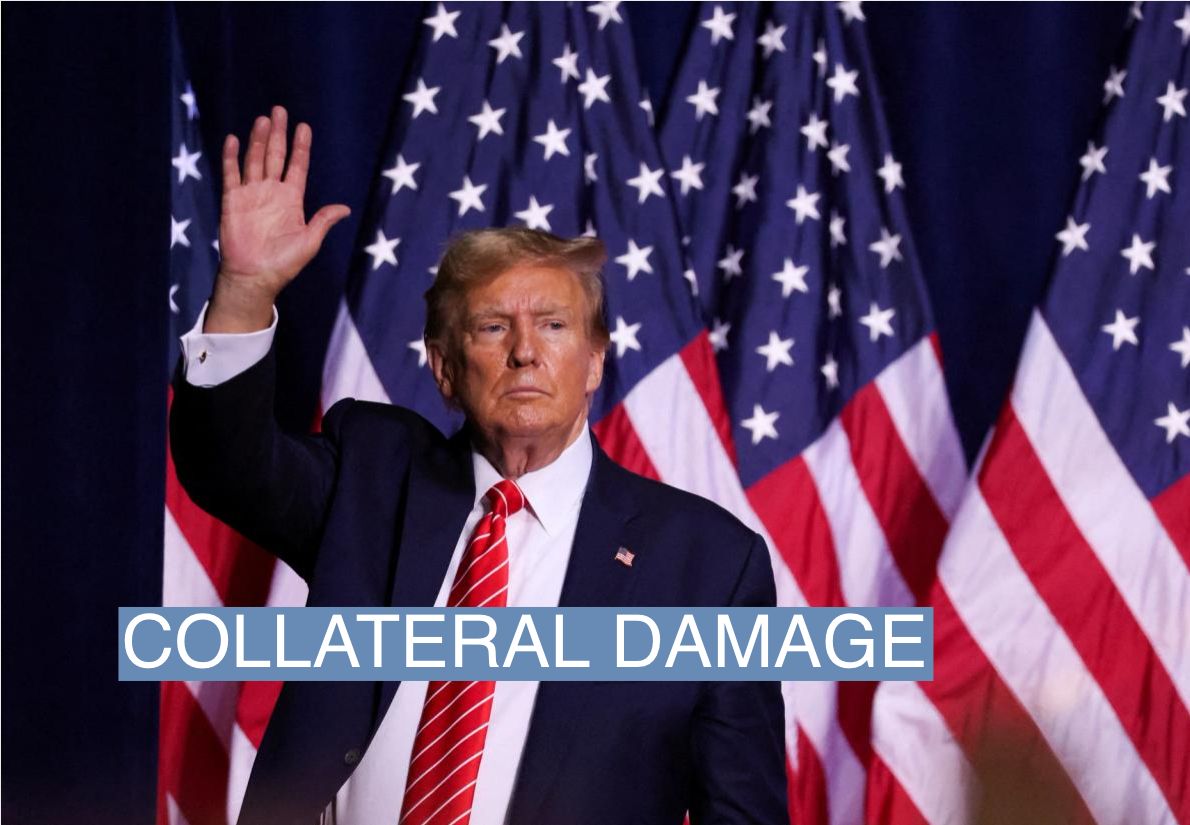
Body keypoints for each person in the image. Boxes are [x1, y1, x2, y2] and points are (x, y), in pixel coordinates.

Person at [170, 106, 787, 825]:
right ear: (444, 369)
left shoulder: (708, 566)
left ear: (593, 362)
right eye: (493, 327)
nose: (525, 351)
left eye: (553, 325)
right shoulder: (371, 478)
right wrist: (244, 293)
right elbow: (226, 466)